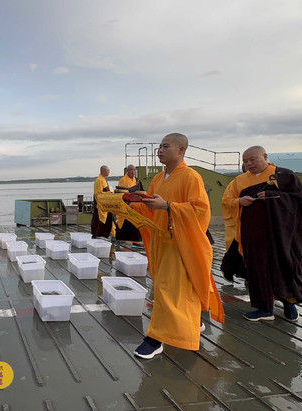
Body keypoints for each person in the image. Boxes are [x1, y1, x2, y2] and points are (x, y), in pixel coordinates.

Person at [128, 133, 224, 359]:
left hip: (180, 243)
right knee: (172, 289)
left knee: (167, 291)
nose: (159, 151)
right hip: (161, 241)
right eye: (159, 147)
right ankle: (193, 321)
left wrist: (168, 206)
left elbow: (201, 211)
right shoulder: (158, 178)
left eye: (165, 146)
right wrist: (134, 203)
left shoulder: (191, 177)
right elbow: (152, 208)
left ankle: (156, 339)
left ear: (181, 150)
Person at [221, 146, 302, 322]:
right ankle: (264, 308)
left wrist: (272, 196)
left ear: (265, 156)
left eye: (252, 159)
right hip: (253, 235)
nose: (248, 164)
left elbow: (300, 202)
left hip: (281, 234)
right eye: (245, 161)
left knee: (284, 266)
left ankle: (289, 303)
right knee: (258, 269)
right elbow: (227, 201)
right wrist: (239, 201)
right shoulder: (239, 181)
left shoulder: (283, 175)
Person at [115, 164, 143, 243]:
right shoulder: (123, 180)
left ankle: (135, 240)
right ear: (127, 171)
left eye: (134, 170)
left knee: (135, 223)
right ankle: (125, 240)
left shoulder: (137, 181)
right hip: (127, 205)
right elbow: (120, 193)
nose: (133, 172)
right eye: (131, 170)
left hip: (135, 205)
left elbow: (141, 191)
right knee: (126, 223)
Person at [91, 165, 113, 238]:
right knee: (97, 219)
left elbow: (104, 190)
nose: (109, 171)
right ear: (103, 171)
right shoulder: (99, 180)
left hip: (104, 202)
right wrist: (108, 193)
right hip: (99, 202)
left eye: (109, 170)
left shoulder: (104, 179)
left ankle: (102, 234)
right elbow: (98, 193)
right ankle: (95, 235)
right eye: (107, 170)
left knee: (107, 219)